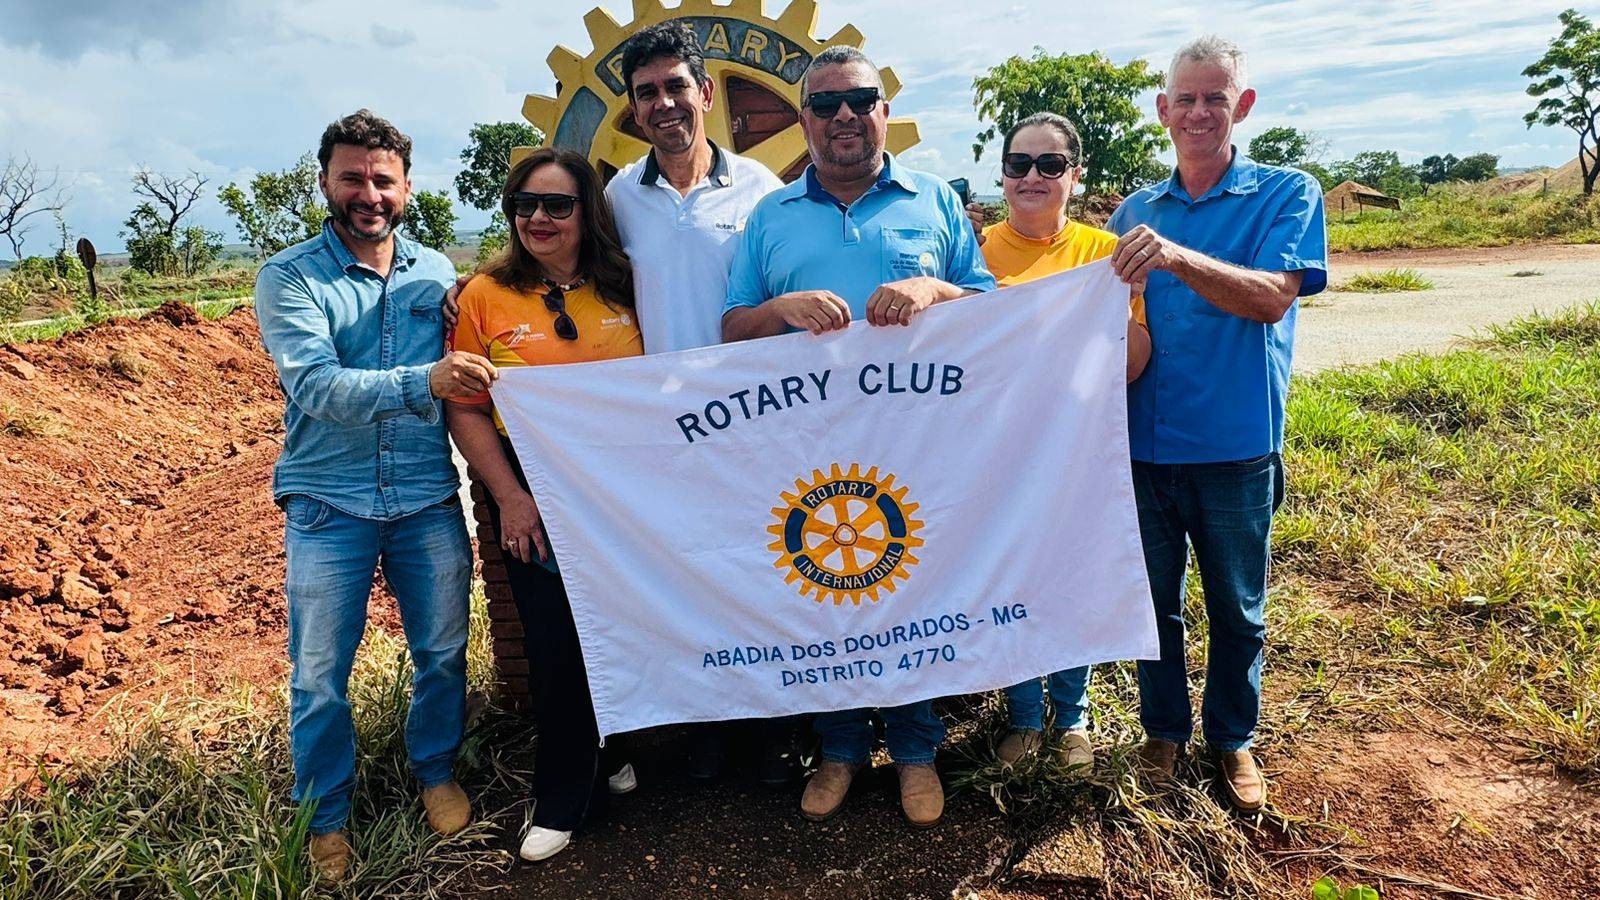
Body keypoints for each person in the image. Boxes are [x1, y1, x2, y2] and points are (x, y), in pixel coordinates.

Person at [723, 46, 996, 827]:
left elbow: (990, 312)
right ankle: (840, 749)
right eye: (826, 104)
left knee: (911, 590)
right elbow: (732, 330)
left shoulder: (935, 200)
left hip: (921, 445)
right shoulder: (770, 218)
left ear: (882, 110)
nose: (844, 116)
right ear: (805, 118)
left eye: (860, 100)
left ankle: (915, 751)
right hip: (805, 449)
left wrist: (934, 287)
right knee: (825, 594)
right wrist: (782, 309)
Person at [254, 110, 491, 881]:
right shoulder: (289, 276)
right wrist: (422, 379)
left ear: (407, 188)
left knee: (443, 651)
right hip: (329, 503)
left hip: (425, 495)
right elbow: (317, 387)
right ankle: (325, 815)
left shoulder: (434, 274)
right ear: (324, 181)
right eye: (352, 177)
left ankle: (435, 772)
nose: (368, 193)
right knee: (320, 672)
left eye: (382, 180)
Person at [1105, 35, 1327, 812]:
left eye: (1216, 98)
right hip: (1144, 449)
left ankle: (1233, 740)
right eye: (1186, 99)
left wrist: (1176, 258)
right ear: (1163, 110)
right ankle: (1162, 734)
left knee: (1238, 609)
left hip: (1236, 448)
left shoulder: (1287, 194)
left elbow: (1271, 297)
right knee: (1150, 606)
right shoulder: (1133, 211)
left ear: (1243, 105)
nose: (1200, 112)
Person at [603, 21, 792, 785]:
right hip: (662, 428)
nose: (663, 104)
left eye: (676, 86)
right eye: (646, 93)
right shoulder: (618, 197)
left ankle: (777, 731)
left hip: (755, 420)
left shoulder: (762, 192)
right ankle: (713, 728)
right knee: (692, 575)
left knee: (765, 570)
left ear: (706, 93)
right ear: (633, 110)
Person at [445, 147, 643, 862]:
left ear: (587, 211)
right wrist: (511, 500)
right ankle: (561, 792)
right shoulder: (484, 297)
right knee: (556, 639)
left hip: (623, 488)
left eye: (557, 204)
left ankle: (614, 749)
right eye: (523, 205)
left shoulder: (626, 287)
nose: (538, 217)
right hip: (534, 487)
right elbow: (466, 409)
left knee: (619, 629)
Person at [964, 112, 1152, 771]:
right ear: (1004, 176)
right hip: (996, 454)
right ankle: (1020, 718)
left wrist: (1126, 297)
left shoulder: (1107, 253)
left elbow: (1131, 365)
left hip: (1079, 452)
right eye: (1019, 165)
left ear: (1076, 174)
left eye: (1049, 165)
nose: (1032, 177)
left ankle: (1070, 718)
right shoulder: (972, 250)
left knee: (1074, 580)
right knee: (1009, 576)